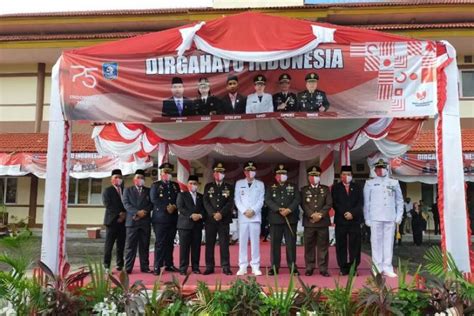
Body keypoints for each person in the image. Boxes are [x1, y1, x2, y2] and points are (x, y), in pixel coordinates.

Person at [363, 158, 404, 278]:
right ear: (375, 170)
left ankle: (387, 266)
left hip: (390, 216)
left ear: (387, 169)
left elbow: (399, 201)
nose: (380, 170)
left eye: (382, 168)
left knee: (388, 242)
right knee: (375, 242)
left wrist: (399, 216)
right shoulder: (369, 183)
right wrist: (367, 218)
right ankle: (377, 267)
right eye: (378, 169)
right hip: (375, 216)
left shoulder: (394, 183)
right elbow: (367, 203)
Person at [264, 164, 301, 275]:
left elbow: (297, 199)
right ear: (276, 176)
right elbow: (268, 200)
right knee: (275, 244)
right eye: (279, 174)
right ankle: (274, 267)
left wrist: (289, 209)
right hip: (275, 219)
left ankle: (292, 267)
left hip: (290, 219)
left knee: (291, 244)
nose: (281, 175)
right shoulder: (271, 187)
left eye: (283, 173)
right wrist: (278, 209)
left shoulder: (293, 186)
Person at [202, 162, 234, 275]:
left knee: (224, 243)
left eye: (221, 172)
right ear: (213, 173)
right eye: (216, 172)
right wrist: (213, 213)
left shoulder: (229, 187)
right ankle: (209, 266)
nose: (218, 174)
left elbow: (230, 202)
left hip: (224, 219)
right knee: (209, 244)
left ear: (224, 174)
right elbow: (205, 201)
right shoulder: (208, 186)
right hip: (210, 220)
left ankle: (225, 266)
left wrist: (221, 213)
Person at [301, 166, 333, 277]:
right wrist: (311, 214)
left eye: (316, 175)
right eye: (312, 175)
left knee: (323, 246)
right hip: (309, 222)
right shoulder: (304, 190)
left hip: (322, 221)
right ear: (309, 177)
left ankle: (323, 268)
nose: (314, 177)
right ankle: (309, 267)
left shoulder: (325, 189)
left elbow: (329, 203)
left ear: (319, 176)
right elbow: (303, 204)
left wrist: (320, 214)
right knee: (309, 246)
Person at [234, 161, 265, 276]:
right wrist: (244, 211)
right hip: (243, 217)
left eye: (252, 170)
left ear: (255, 172)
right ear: (244, 172)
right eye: (248, 170)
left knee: (255, 243)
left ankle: (255, 266)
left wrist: (253, 210)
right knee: (242, 242)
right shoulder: (239, 183)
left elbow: (261, 200)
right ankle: (242, 266)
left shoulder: (260, 184)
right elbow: (237, 200)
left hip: (255, 217)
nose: (250, 172)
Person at [332, 165, 364, 276]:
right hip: (341, 220)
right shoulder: (336, 187)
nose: (346, 176)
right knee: (341, 244)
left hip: (354, 220)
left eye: (349, 174)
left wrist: (352, 213)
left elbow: (360, 203)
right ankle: (343, 267)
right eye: (344, 174)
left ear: (352, 176)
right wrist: (345, 213)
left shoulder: (358, 187)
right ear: (340, 176)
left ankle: (353, 267)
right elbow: (335, 203)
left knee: (354, 245)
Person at [150, 162, 181, 275]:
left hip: (172, 219)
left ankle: (169, 264)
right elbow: (154, 199)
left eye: (169, 172)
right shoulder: (156, 185)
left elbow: (179, 199)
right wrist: (166, 208)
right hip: (160, 219)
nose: (167, 174)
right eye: (165, 172)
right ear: (161, 173)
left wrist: (174, 206)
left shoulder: (175, 186)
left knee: (170, 243)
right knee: (160, 243)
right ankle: (157, 266)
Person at [122, 169, 153, 274]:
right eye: (138, 178)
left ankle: (145, 267)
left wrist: (144, 212)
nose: (140, 180)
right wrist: (136, 212)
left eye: (142, 178)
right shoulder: (127, 190)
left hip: (145, 222)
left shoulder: (148, 191)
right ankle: (128, 267)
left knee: (144, 245)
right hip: (132, 222)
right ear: (134, 179)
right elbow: (126, 204)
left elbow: (152, 204)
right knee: (130, 246)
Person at [177, 175, 205, 275]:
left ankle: (195, 267)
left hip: (197, 225)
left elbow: (204, 209)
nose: (193, 185)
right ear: (187, 184)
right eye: (191, 183)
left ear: (198, 185)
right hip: (184, 226)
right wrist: (191, 215)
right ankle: (183, 269)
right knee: (184, 248)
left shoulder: (201, 196)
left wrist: (200, 215)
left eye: (195, 184)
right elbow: (180, 207)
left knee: (196, 247)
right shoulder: (182, 195)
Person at [102, 169, 126, 272]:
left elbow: (128, 203)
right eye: (116, 177)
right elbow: (108, 204)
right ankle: (106, 265)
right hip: (112, 221)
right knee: (109, 245)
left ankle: (120, 264)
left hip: (124, 221)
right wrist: (119, 214)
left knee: (121, 244)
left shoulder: (125, 190)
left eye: (120, 177)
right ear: (112, 179)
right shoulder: (108, 190)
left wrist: (124, 215)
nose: (118, 179)